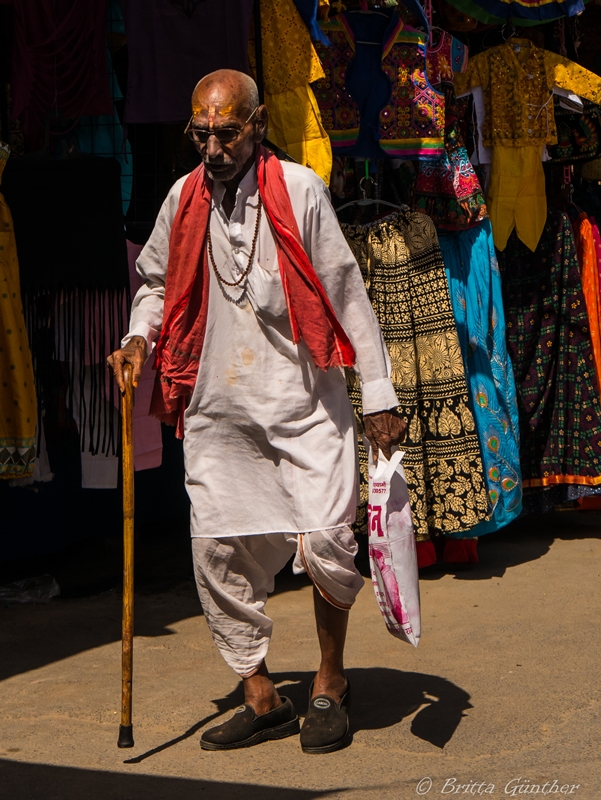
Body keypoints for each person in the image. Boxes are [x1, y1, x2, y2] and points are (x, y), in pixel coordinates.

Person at [108, 69, 405, 754]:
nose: (212, 147)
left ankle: (330, 683)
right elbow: (153, 281)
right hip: (219, 409)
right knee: (217, 548)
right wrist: (135, 337)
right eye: (201, 133)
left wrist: (379, 393)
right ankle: (261, 693)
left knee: (327, 539)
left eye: (226, 132)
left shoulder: (299, 189)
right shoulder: (182, 197)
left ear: (259, 123)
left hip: (304, 403)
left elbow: (345, 290)